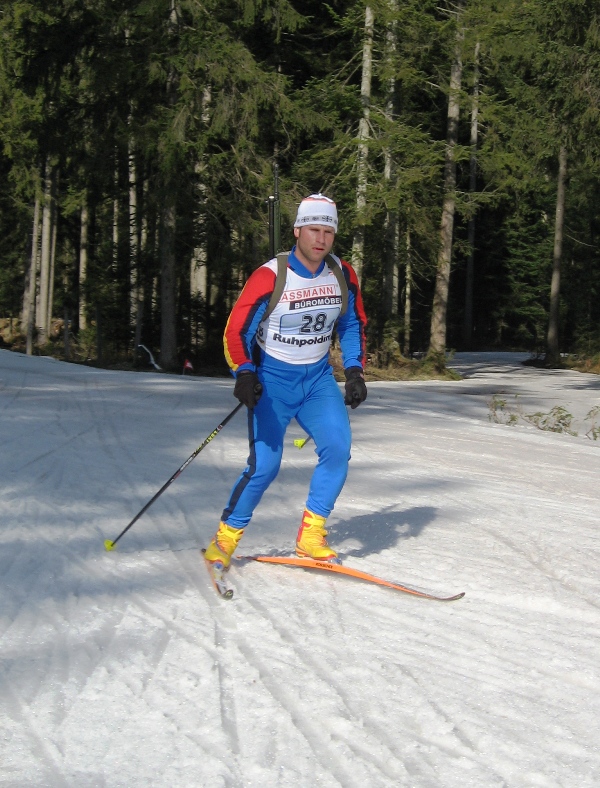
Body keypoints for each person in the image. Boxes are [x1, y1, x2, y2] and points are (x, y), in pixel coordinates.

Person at [204, 194, 367, 569]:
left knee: (338, 448)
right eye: (314, 230)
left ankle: (311, 535)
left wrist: (354, 370)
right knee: (265, 465)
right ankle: (225, 539)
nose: (321, 239)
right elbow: (236, 332)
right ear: (297, 231)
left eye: (328, 232)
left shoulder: (342, 274)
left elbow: (351, 323)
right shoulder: (270, 276)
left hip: (317, 380)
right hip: (273, 381)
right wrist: (244, 371)